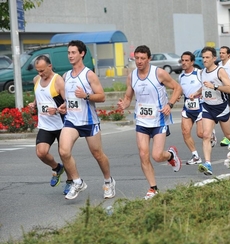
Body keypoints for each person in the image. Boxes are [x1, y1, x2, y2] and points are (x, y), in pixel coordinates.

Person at [117, 45, 182, 200]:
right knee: (143, 154)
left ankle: (171, 155)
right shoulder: (132, 76)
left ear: (149, 59)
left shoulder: (158, 73)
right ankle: (153, 188)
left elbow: (177, 88)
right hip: (141, 120)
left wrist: (170, 104)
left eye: (142, 58)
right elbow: (128, 97)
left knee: (157, 156)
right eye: (137, 58)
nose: (139, 61)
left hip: (159, 119)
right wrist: (124, 104)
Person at [59, 40, 115, 200]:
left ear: (82, 53)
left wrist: (86, 95)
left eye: (73, 52)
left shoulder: (88, 74)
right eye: (68, 53)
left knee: (98, 154)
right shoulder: (66, 76)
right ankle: (77, 182)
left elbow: (102, 97)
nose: (70, 55)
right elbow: (70, 99)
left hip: (89, 121)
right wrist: (64, 106)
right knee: (63, 151)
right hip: (71, 121)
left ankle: (108, 181)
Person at [28, 55, 73, 195]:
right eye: (38, 71)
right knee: (41, 153)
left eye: (42, 71)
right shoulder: (37, 79)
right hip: (45, 125)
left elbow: (69, 103)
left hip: (61, 124)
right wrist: (34, 104)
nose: (40, 74)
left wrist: (58, 109)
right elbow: (39, 93)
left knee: (64, 154)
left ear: (50, 66)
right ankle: (57, 168)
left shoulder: (58, 81)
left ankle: (71, 181)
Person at [188, 46, 230, 175]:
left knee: (229, 135)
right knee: (206, 135)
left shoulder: (220, 71)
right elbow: (204, 87)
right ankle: (207, 164)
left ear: (214, 58)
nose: (204, 60)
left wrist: (214, 86)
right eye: (203, 57)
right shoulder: (202, 72)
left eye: (207, 57)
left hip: (221, 108)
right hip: (208, 107)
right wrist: (196, 93)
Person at [179, 51, 205, 165]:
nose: (184, 63)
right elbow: (182, 91)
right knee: (185, 132)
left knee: (200, 134)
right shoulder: (181, 76)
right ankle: (195, 156)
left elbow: (206, 87)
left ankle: (211, 134)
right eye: (182, 60)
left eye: (186, 60)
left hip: (201, 106)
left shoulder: (199, 73)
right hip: (188, 107)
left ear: (192, 62)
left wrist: (198, 93)